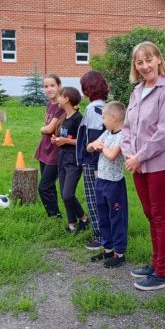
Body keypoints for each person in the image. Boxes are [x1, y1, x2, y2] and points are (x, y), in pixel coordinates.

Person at [121, 41, 165, 291]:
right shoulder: (137, 90)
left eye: (148, 60)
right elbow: (126, 128)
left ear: (158, 59)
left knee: (160, 215)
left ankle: (162, 273)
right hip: (138, 165)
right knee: (149, 214)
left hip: (161, 165)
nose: (145, 66)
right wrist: (128, 155)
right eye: (139, 62)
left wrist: (139, 157)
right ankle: (156, 262)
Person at [87, 101, 128, 269]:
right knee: (103, 215)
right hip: (101, 181)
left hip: (114, 184)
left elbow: (112, 155)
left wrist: (101, 147)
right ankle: (107, 248)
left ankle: (119, 252)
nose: (102, 121)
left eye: (104, 117)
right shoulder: (107, 133)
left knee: (116, 217)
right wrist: (94, 144)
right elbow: (89, 147)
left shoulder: (123, 136)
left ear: (114, 116)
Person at [76, 70, 109, 248]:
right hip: (99, 160)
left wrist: (94, 164)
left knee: (94, 198)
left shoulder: (93, 109)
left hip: (93, 162)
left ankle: (101, 236)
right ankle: (105, 233)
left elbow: (96, 139)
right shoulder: (104, 106)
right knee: (100, 198)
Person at [51, 87, 88, 233]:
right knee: (63, 193)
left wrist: (65, 140)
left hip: (74, 160)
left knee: (68, 194)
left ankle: (84, 218)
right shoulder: (63, 117)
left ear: (66, 99)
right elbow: (63, 137)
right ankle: (72, 223)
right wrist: (57, 140)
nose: (57, 99)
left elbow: (83, 142)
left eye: (60, 96)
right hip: (62, 158)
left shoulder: (78, 118)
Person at [34, 73, 65, 218]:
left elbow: (49, 129)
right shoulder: (49, 104)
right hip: (45, 149)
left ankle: (54, 215)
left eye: (52, 85)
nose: (49, 89)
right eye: (46, 86)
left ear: (59, 86)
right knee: (50, 186)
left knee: (44, 187)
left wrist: (41, 129)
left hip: (56, 151)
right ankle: (55, 218)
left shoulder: (61, 105)